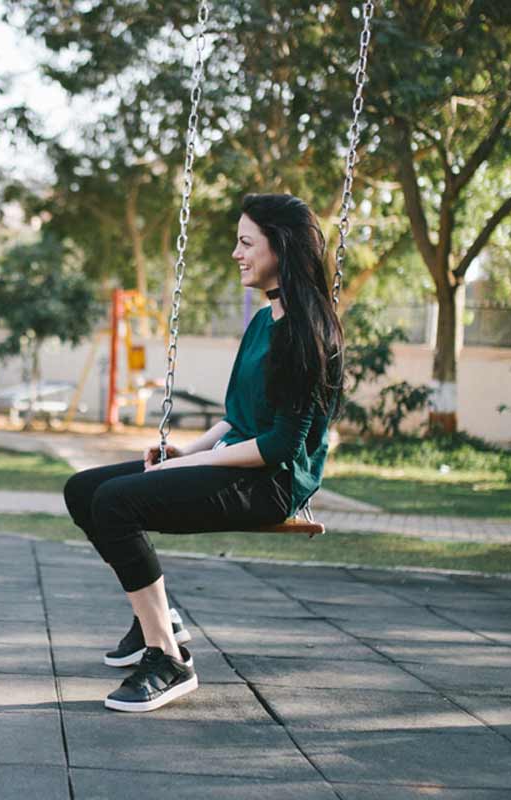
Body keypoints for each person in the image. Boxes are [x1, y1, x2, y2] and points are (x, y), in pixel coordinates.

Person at [63, 194, 343, 712]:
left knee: (116, 504)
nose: (236, 253)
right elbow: (237, 417)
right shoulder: (264, 321)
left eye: (245, 242)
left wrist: (194, 463)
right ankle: (158, 617)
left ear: (280, 247)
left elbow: (280, 444)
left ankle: (167, 658)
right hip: (238, 458)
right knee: (84, 490)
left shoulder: (307, 332)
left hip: (273, 481)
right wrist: (184, 449)